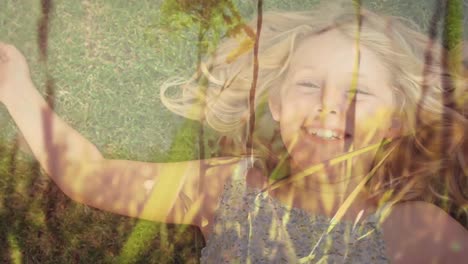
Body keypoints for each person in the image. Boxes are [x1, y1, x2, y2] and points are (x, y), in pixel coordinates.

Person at [0, 1, 467, 263]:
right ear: (278, 104)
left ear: (395, 121)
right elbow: (88, 176)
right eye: (308, 84)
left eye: (357, 93)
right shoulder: (228, 190)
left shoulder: (419, 231)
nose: (328, 104)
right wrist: (14, 86)